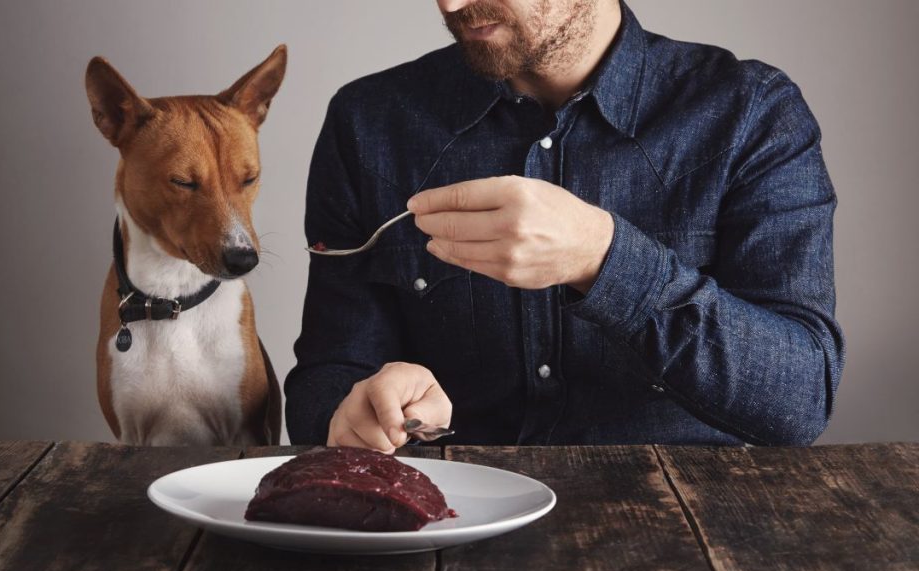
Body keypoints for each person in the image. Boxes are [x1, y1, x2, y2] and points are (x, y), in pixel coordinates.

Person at [285, 0, 845, 451]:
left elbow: (798, 402)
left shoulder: (750, 112)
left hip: (688, 526)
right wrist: (354, 412)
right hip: (450, 526)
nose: (451, 4)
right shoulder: (369, 121)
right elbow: (328, 370)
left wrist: (604, 259)